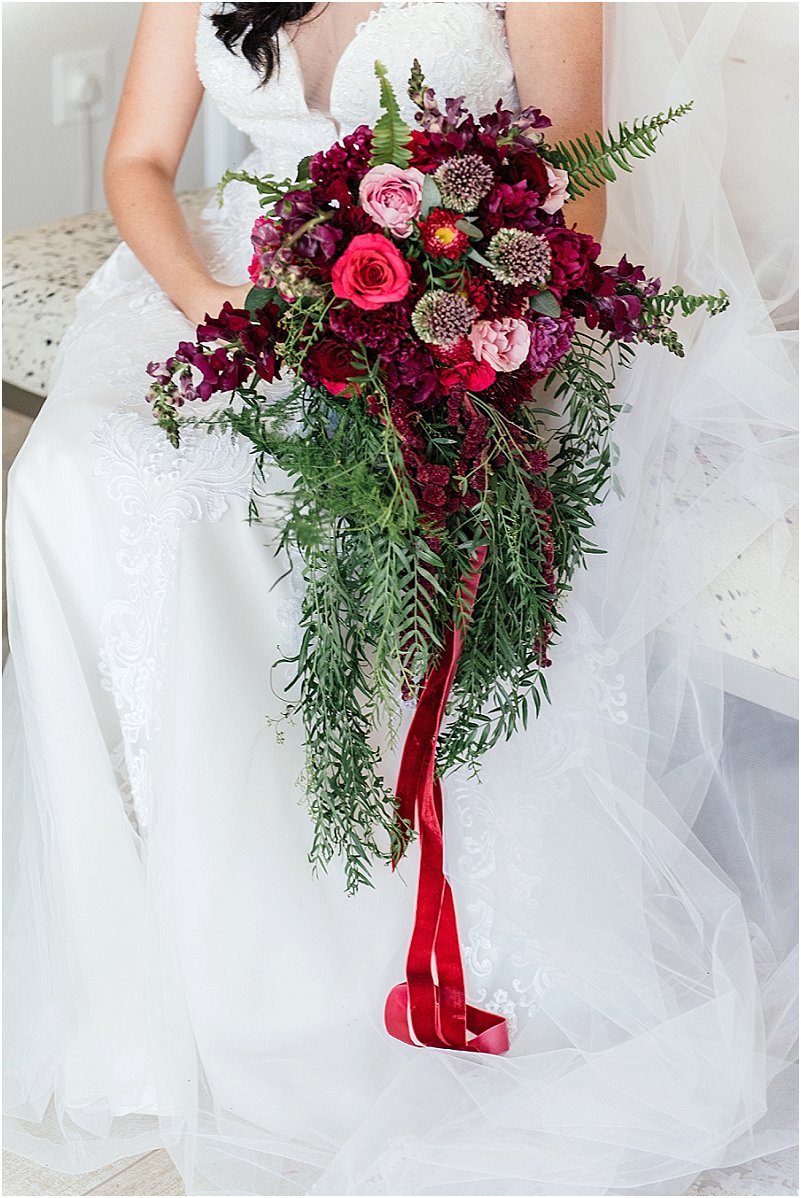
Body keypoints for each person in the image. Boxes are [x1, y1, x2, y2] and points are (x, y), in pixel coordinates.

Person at [4, 3, 797, 1195]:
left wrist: (468, 346)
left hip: (447, 300)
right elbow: (139, 161)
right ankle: (127, 988)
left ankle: (287, 979)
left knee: (256, 497)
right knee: (68, 475)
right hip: (227, 276)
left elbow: (574, 174)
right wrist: (208, 299)